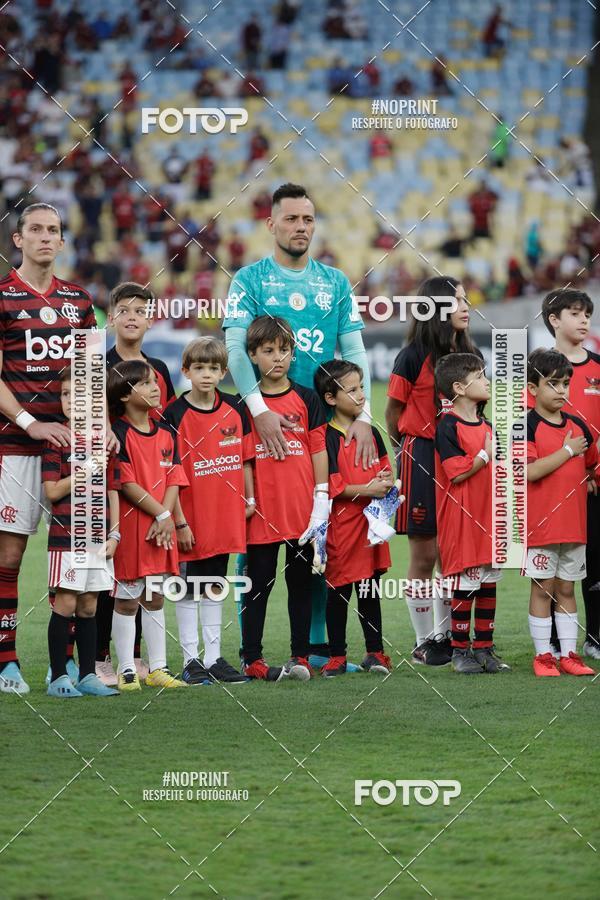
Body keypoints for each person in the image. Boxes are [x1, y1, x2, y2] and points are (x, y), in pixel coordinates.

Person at [222, 183, 371, 669]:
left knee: (319, 537)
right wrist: (257, 409)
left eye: (307, 219)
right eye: (291, 219)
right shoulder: (250, 279)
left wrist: (363, 416)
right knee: (258, 539)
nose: (300, 227)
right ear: (271, 224)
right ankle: (252, 654)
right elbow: (234, 348)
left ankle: (313, 650)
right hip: (262, 424)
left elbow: (353, 351)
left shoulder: (336, 282)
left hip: (320, 424)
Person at [0, 203, 105, 695]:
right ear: (18, 240)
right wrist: (29, 422)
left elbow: (90, 379)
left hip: (74, 448)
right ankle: (7, 663)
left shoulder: (80, 302)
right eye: (35, 230)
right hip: (16, 445)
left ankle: (60, 669)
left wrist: (100, 427)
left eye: (54, 231)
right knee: (11, 553)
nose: (45, 237)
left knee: (75, 556)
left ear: (63, 242)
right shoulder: (1, 297)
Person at [385, 277, 480, 666]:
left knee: (453, 553)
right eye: (457, 299)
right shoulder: (412, 355)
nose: (465, 305)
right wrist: (407, 450)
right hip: (422, 455)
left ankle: (450, 638)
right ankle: (426, 641)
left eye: (465, 298)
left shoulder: (471, 352)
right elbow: (393, 412)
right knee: (425, 553)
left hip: (458, 454)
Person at [95, 282, 176, 687]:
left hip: (155, 485)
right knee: (108, 580)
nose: (131, 316)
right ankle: (100, 658)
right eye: (123, 310)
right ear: (110, 318)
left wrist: (168, 509)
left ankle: (145, 662)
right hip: (111, 486)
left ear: (149, 319)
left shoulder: (158, 369)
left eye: (139, 310)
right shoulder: (99, 364)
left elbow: (168, 428)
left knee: (150, 583)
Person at [241, 316, 328, 681]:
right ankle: (252, 659)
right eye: (268, 351)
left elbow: (319, 449)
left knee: (301, 586)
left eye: (285, 350)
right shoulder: (248, 404)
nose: (278, 357)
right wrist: (247, 498)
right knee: (258, 587)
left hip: (301, 512)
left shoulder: (307, 398)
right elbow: (243, 458)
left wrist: (321, 498)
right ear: (252, 355)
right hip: (262, 512)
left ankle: (301, 656)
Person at [165, 337, 253, 685]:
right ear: (185, 370)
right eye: (199, 368)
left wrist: (249, 499)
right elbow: (169, 471)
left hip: (225, 514)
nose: (206, 374)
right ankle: (191, 660)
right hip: (190, 517)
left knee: (215, 583)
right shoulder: (174, 413)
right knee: (189, 586)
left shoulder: (235, 407)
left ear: (223, 372)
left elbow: (245, 458)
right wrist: (179, 521)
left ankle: (214, 657)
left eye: (213, 368)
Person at [527, 290, 600, 658]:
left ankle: (592, 639)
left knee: (589, 568)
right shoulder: (535, 371)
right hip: (550, 490)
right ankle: (551, 647)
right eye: (576, 313)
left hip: (591, 481)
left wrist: (591, 468)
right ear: (554, 319)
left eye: (588, 314)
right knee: (549, 575)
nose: (585, 320)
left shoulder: (599, 367)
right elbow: (527, 438)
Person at [107, 361, 187, 691]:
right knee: (127, 598)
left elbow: (174, 477)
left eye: (155, 381)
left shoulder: (167, 432)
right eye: (146, 383)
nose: (156, 388)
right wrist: (161, 515)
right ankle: (126, 669)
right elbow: (125, 483)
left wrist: (167, 517)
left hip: (160, 529)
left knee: (155, 596)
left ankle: (158, 669)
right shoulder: (119, 433)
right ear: (125, 395)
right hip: (134, 528)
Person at [315, 360, 397, 677]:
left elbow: (385, 473)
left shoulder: (371, 433)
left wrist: (385, 486)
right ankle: (337, 655)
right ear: (331, 398)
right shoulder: (325, 438)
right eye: (352, 390)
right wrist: (369, 488)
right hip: (340, 526)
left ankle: (375, 652)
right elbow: (331, 486)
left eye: (362, 387)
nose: (361, 394)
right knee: (338, 591)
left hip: (369, 526)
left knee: (370, 589)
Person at [43, 369, 120, 697]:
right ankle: (59, 676)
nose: (71, 401)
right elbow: (52, 491)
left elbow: (113, 490)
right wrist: (86, 469)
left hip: (98, 539)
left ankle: (88, 676)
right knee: (66, 604)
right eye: (65, 395)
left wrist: (115, 535)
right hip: (67, 539)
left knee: (89, 606)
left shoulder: (106, 441)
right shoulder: (56, 439)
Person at [434, 354, 510, 674]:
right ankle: (458, 650)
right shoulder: (447, 426)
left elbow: (501, 470)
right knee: (467, 583)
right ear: (459, 388)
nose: (487, 381)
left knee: (489, 582)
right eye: (480, 377)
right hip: (462, 518)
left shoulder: (489, 425)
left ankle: (484, 648)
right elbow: (456, 473)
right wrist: (483, 454)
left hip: (490, 515)